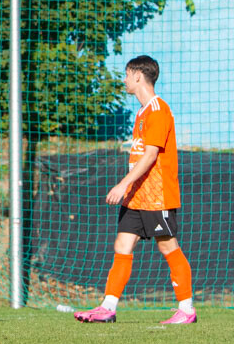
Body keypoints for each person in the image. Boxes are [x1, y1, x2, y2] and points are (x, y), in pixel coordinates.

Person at [75, 55, 195, 325]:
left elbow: (151, 155)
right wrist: (130, 188)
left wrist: (122, 183)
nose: (125, 80)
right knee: (122, 245)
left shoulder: (158, 109)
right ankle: (108, 307)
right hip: (137, 195)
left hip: (156, 194)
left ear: (139, 75)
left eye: (128, 74)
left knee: (168, 246)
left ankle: (187, 309)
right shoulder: (141, 113)